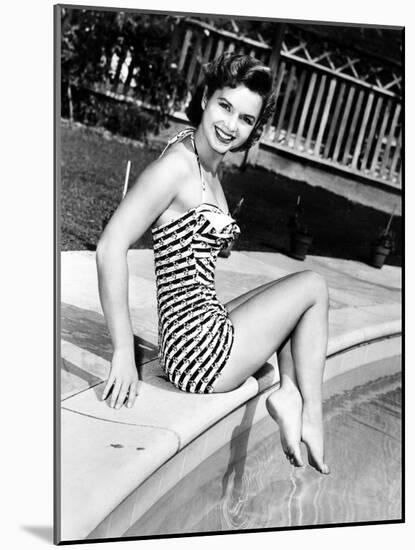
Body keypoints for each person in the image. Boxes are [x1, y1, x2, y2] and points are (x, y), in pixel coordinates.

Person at [96, 53, 330, 475]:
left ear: (254, 127)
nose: (230, 124)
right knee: (312, 287)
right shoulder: (177, 168)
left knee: (294, 302)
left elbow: (188, 240)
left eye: (244, 118)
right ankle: (308, 411)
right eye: (224, 106)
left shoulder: (205, 163)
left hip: (201, 331)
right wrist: (122, 351)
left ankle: (289, 392)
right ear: (205, 97)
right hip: (201, 357)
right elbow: (110, 245)